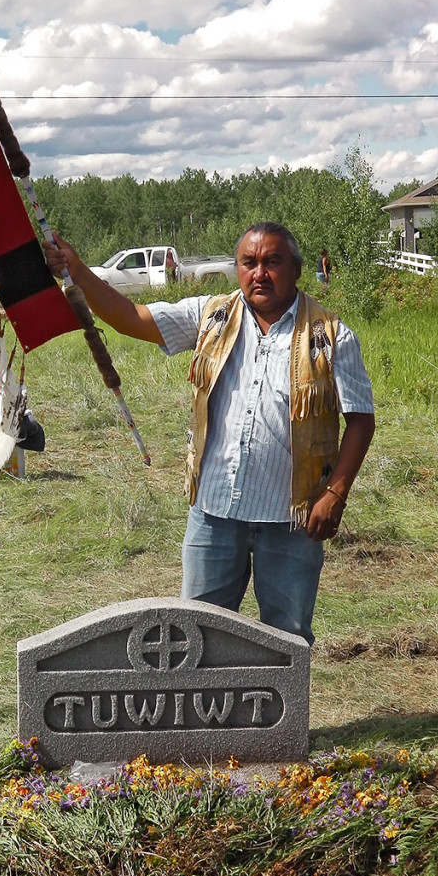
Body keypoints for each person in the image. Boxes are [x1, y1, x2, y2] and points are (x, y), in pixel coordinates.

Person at [43, 222, 374, 645]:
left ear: (295, 269)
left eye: (272, 262)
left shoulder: (331, 336)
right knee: (195, 638)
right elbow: (131, 317)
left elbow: (361, 419)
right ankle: (210, 714)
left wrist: (335, 495)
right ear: (236, 269)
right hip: (213, 514)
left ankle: (276, 713)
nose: (260, 273)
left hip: (291, 521)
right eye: (249, 263)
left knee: (287, 639)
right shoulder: (211, 316)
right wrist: (78, 269)